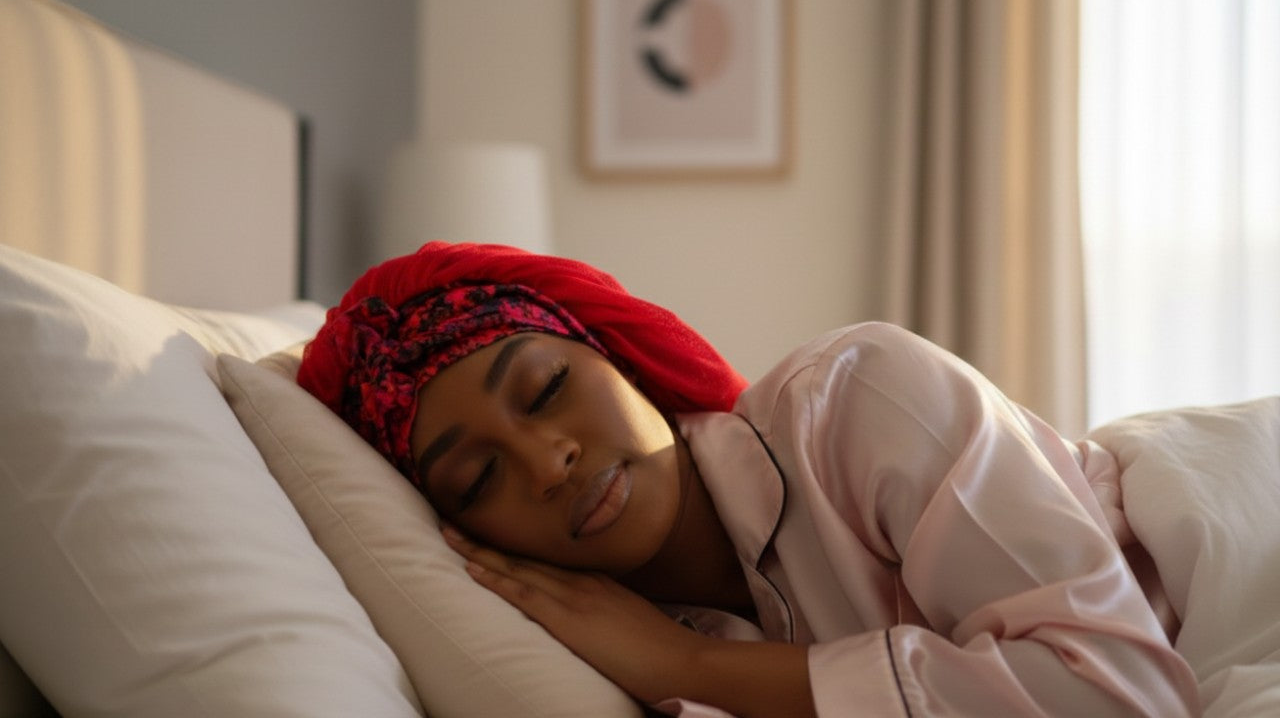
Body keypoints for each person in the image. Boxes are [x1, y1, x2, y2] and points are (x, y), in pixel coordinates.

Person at [296, 241, 1216, 717]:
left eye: (547, 390)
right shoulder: (589, 652)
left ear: (616, 357)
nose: (548, 463)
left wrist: (699, 668)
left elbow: (1122, 696)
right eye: (477, 477)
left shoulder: (856, 396)